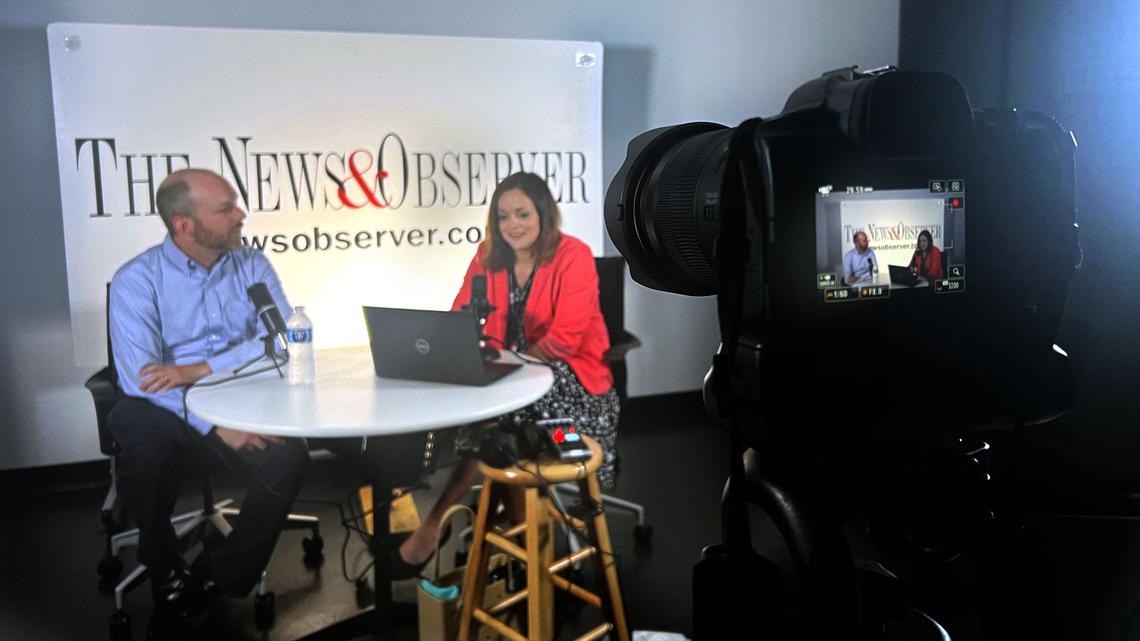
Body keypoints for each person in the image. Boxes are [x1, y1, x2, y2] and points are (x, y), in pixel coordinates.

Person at [392, 172, 620, 577]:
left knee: (497, 426)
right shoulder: (487, 256)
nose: (512, 224)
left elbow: (565, 339)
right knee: (493, 424)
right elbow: (461, 317)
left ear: (543, 214)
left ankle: (443, 523)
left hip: (572, 383)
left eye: (522, 213)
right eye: (502, 216)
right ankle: (521, 544)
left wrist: (511, 367)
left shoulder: (574, 255)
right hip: (507, 381)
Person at [108, 168, 309, 613]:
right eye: (226, 209)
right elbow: (145, 379)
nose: (241, 215)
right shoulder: (136, 281)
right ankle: (162, 565)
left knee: (290, 455)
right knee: (147, 444)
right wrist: (217, 427)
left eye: (236, 204)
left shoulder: (252, 264)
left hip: (238, 393)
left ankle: (222, 574)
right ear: (185, 225)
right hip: (163, 409)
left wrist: (197, 368)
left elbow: (277, 339)